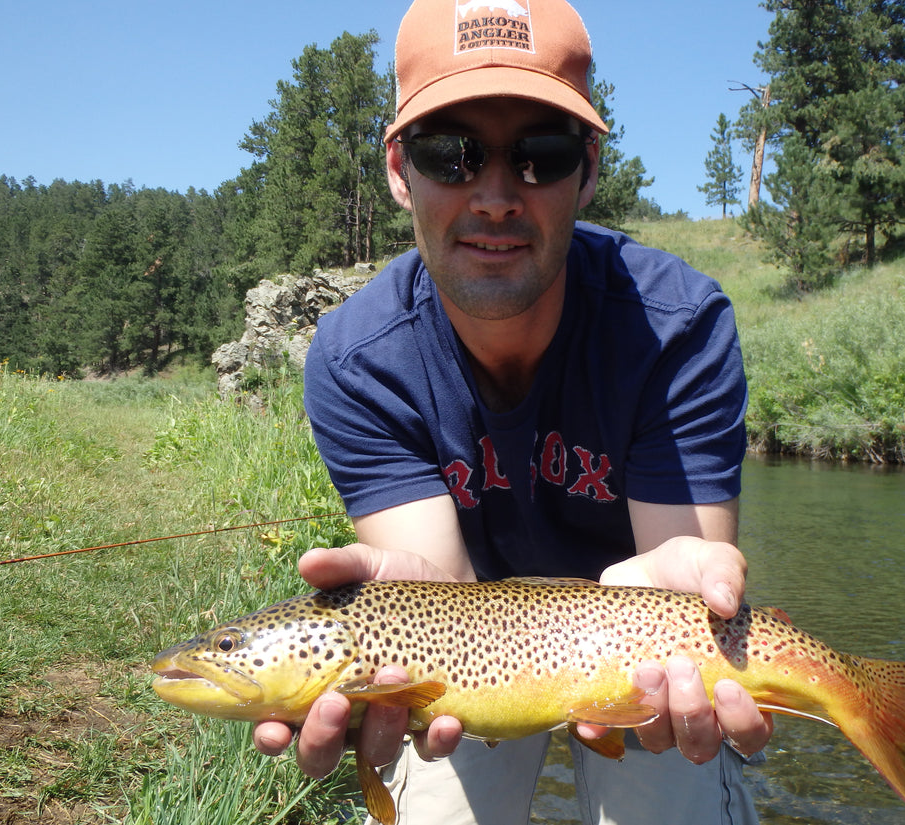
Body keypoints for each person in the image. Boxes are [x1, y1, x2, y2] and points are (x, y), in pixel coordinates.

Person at [254, 0, 775, 822]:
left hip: (640, 639)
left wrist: (691, 599)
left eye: (541, 155)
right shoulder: (360, 361)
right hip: (478, 653)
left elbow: (686, 602)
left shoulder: (678, 328)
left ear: (588, 169)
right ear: (399, 168)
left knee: (676, 749)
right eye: (450, 153)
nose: (495, 196)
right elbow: (442, 609)